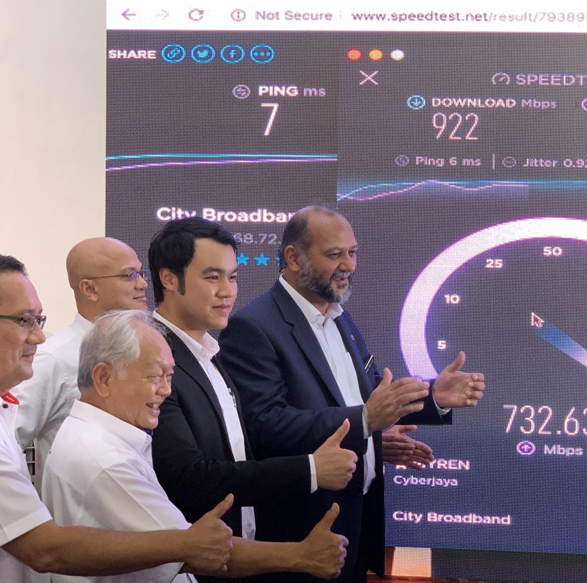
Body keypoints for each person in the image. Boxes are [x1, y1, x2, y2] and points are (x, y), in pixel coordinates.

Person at [0, 253, 232, 583]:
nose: (39, 337)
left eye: (39, 320)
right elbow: (45, 550)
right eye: (24, 321)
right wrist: (185, 544)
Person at [218, 205, 486, 582]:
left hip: (354, 527)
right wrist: (364, 422)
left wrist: (433, 397)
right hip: (299, 536)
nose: (348, 265)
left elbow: (368, 396)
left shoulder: (340, 317)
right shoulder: (253, 327)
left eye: (353, 252)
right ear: (293, 258)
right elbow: (265, 425)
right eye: (334, 254)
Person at [40, 310, 347, 582]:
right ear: (104, 378)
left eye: (170, 376)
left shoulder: (90, 437)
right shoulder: (105, 459)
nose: (166, 390)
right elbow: (196, 549)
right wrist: (302, 555)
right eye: (154, 376)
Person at [147, 217, 357, 582]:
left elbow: (239, 450)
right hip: (191, 566)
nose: (227, 291)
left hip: (240, 557)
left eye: (232, 277)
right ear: (168, 279)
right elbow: (190, 478)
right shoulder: (154, 360)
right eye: (212, 277)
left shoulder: (209, 352)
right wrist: (310, 470)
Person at [13, 237, 150, 484]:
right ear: (89, 289)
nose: (142, 284)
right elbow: (5, 441)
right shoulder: (53, 359)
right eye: (129, 275)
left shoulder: (145, 351)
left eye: (141, 273)